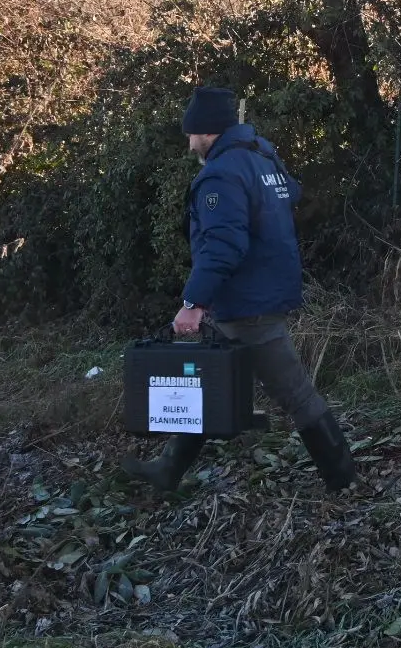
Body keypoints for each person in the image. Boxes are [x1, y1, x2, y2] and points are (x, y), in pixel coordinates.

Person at [122, 86, 355, 494]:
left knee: (293, 392)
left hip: (249, 301)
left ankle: (343, 479)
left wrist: (193, 303)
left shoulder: (221, 174)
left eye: (190, 133)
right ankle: (169, 469)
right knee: (208, 381)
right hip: (261, 290)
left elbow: (224, 246)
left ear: (206, 132)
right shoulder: (262, 155)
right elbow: (292, 193)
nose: (188, 141)